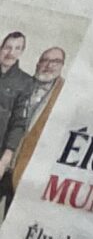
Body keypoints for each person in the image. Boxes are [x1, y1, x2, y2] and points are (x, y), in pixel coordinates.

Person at [7, 46, 66, 200]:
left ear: (62, 66)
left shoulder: (64, 94)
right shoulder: (21, 85)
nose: (49, 65)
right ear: (37, 64)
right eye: (45, 60)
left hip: (28, 176)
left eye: (55, 61)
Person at [0, 31, 34, 215]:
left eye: (17, 48)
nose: (11, 53)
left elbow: (19, 122)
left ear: (22, 52)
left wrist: (5, 158)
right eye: (8, 47)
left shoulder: (25, 82)